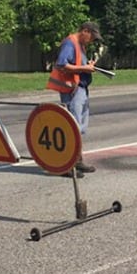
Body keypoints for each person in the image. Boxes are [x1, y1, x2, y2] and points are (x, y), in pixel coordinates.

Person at [45, 21, 103, 175]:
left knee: (79, 128)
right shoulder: (70, 43)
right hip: (72, 90)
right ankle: (66, 164)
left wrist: (87, 65)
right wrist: (85, 68)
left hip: (81, 88)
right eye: (91, 37)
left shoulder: (80, 45)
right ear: (85, 31)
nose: (91, 41)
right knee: (72, 128)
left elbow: (76, 63)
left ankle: (77, 161)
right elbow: (62, 64)